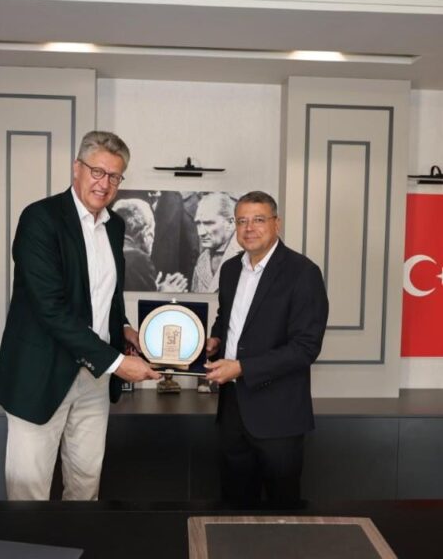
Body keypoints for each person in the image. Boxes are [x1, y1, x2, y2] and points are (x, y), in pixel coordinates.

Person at [0, 131, 161, 501]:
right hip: (41, 374)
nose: (104, 183)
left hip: (93, 379)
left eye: (114, 176)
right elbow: (49, 308)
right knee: (28, 493)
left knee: (85, 487)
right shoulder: (40, 219)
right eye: (97, 171)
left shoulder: (115, 226)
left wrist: (124, 328)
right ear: (76, 168)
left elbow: (106, 294)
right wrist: (118, 363)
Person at [203, 190, 329, 504]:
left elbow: (305, 348)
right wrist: (215, 341)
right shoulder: (230, 270)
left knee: (282, 510)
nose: (249, 228)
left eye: (258, 220)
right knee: (234, 506)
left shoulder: (303, 273)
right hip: (232, 412)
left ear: (277, 223)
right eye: (241, 221)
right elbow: (227, 319)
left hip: (279, 416)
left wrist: (241, 368)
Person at [112, 198, 188, 292]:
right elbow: (138, 300)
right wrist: (163, 294)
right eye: (152, 233)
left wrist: (153, 288)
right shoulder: (137, 258)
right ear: (146, 233)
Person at [191, 192, 239, 292]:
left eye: (209, 223)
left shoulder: (249, 258)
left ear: (230, 222)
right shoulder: (202, 260)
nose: (200, 232)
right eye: (198, 223)